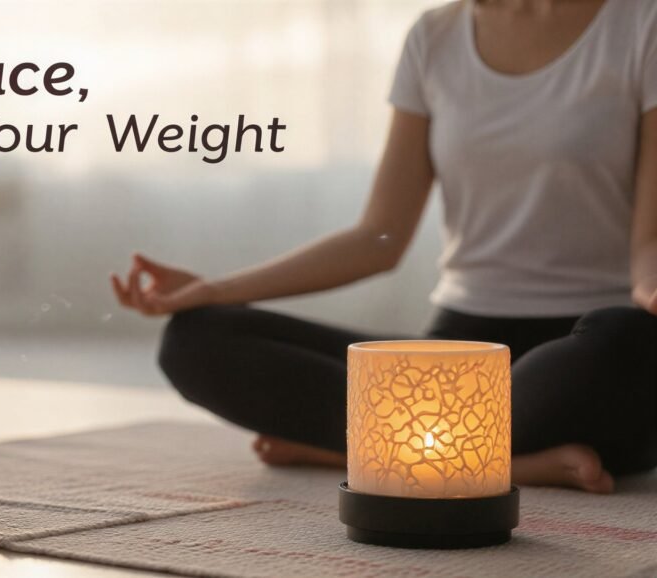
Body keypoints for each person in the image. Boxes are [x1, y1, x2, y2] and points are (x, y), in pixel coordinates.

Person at [112, 0, 657, 493]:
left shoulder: (640, 23)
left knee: (633, 346)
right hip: (459, 356)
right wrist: (215, 289)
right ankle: (509, 463)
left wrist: (652, 286)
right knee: (196, 339)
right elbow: (379, 237)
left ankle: (369, 452)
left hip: (587, 351)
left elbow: (649, 243)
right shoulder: (434, 37)